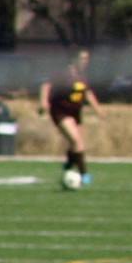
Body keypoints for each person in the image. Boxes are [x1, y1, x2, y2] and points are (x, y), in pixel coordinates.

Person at [48, 48, 95, 190]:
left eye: (87, 59)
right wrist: (43, 102)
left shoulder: (83, 76)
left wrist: (98, 109)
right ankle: (84, 175)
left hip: (75, 113)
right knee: (76, 141)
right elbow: (46, 85)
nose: (85, 61)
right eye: (83, 58)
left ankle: (69, 165)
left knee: (76, 143)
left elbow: (87, 93)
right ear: (74, 59)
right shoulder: (64, 74)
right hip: (60, 111)